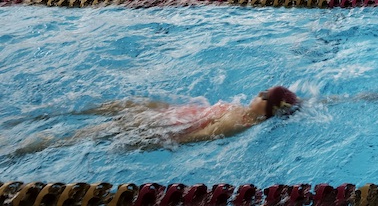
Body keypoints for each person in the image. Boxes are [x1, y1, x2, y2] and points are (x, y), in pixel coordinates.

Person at [15, 86, 300, 154]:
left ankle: (30, 146)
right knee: (120, 104)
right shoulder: (246, 113)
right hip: (166, 114)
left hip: (159, 126)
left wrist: (146, 142)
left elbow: (189, 137)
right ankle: (45, 116)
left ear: (268, 108)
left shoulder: (239, 124)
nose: (258, 92)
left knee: (86, 135)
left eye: (263, 94)